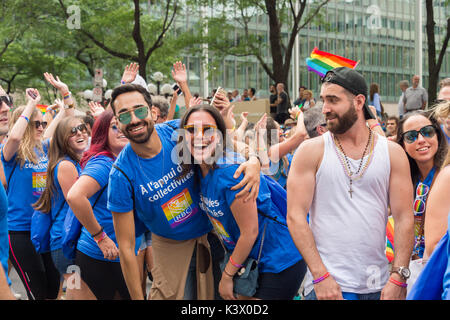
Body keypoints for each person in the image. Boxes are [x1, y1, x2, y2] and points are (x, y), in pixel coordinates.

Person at [107, 83, 261, 300]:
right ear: (116, 122)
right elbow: (126, 246)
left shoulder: (175, 132)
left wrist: (254, 159)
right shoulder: (120, 175)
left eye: (139, 110)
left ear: (152, 112)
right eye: (124, 115)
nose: (133, 120)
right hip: (170, 246)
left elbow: (226, 140)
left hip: (213, 236)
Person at [287, 67, 415, 300]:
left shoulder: (392, 153)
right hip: (327, 287)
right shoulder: (310, 151)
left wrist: (399, 276)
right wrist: (320, 276)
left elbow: (405, 217)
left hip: (378, 285)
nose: (325, 108)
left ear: (358, 101)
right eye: (323, 100)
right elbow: (295, 217)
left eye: (333, 100)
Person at [178, 104, 306, 300]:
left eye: (208, 130)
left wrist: (227, 276)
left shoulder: (231, 173)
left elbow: (250, 232)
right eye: (192, 130)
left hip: (280, 259)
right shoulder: (197, 170)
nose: (199, 136)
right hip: (251, 260)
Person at [1, 85, 70, 300]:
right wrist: (32, 103)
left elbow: (65, 123)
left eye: (43, 124)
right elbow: (14, 138)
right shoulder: (10, 153)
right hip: (20, 232)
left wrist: (65, 97)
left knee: (52, 288)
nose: (41, 127)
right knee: (38, 292)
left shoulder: (44, 147)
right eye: (35, 124)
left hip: (43, 229)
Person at [65, 109, 140, 300]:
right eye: (114, 126)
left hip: (123, 253)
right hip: (100, 255)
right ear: (103, 133)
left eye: (123, 124)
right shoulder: (105, 164)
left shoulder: (126, 160)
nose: (121, 129)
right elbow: (74, 196)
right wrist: (101, 237)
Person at [32, 116, 89, 298]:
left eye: (81, 128)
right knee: (76, 292)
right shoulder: (66, 165)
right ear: (63, 139)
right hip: (65, 243)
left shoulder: (74, 162)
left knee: (77, 292)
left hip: (68, 241)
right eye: (73, 131)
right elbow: (76, 203)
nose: (80, 132)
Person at [396, 110, 448, 261]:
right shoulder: (405, 180)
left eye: (427, 132)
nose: (420, 139)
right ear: (403, 145)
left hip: (442, 264)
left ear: (438, 135)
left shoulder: (447, 176)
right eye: (411, 136)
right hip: (414, 265)